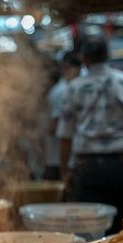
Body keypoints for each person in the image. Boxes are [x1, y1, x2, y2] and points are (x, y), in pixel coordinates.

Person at [56, 36, 123, 235]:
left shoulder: (73, 87)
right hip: (118, 164)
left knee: (85, 227)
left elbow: (64, 136)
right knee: (118, 228)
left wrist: (64, 172)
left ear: (84, 59)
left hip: (86, 166)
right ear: (107, 56)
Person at [43, 52, 81, 180]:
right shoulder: (69, 89)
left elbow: (54, 126)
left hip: (59, 160)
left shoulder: (61, 91)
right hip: (67, 158)